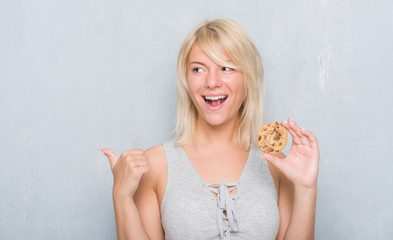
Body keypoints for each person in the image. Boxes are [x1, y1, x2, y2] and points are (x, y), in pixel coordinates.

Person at [101, 18, 319, 240]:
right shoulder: (155, 164)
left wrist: (305, 189)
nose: (212, 82)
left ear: (248, 78)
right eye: (198, 69)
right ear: (186, 81)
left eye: (226, 68)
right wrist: (121, 196)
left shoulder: (276, 163)